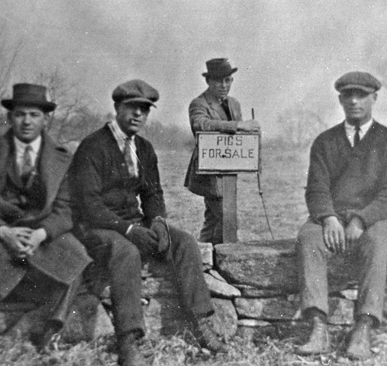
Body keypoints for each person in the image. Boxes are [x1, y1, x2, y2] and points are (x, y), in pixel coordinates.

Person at [70, 79, 227, 366]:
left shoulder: (143, 148)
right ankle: (130, 339)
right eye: (132, 108)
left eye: (145, 109)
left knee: (184, 242)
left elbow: (152, 192)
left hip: (133, 224)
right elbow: (89, 205)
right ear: (117, 107)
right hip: (98, 228)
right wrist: (130, 230)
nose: (138, 115)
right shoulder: (92, 146)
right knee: (127, 252)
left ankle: (203, 323)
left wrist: (157, 222)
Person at [295, 72, 387, 359]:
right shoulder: (325, 142)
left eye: (361, 95)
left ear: (374, 99)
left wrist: (361, 219)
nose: (354, 101)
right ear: (341, 99)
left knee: (378, 242)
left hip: (375, 218)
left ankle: (364, 327)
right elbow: (316, 188)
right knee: (309, 239)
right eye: (348, 96)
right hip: (333, 216)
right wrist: (328, 218)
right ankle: (318, 327)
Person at [0, 83, 92, 350]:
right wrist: (2, 231)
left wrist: (41, 233)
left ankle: (52, 330)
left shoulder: (62, 159)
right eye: (20, 114)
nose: (27, 121)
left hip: (40, 234)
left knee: (76, 256)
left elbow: (66, 209)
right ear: (10, 117)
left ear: (45, 119)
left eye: (34, 115)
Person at [184, 58, 260, 244]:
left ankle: (203, 257)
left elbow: (237, 139)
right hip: (208, 173)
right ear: (208, 81)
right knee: (227, 219)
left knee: (213, 220)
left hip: (228, 171)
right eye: (218, 81)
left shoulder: (234, 104)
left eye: (228, 80)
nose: (223, 85)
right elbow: (200, 124)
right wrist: (238, 125)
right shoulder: (199, 103)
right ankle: (224, 257)